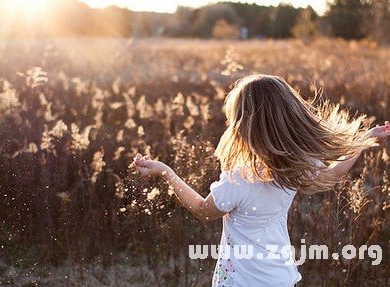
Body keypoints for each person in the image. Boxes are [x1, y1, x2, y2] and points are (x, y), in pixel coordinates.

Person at [133, 74, 390, 287]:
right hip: (280, 277)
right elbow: (333, 172)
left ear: (245, 126)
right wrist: (363, 140)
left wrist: (166, 171)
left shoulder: (238, 181)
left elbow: (203, 210)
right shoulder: (295, 167)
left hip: (239, 282)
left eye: (233, 118)